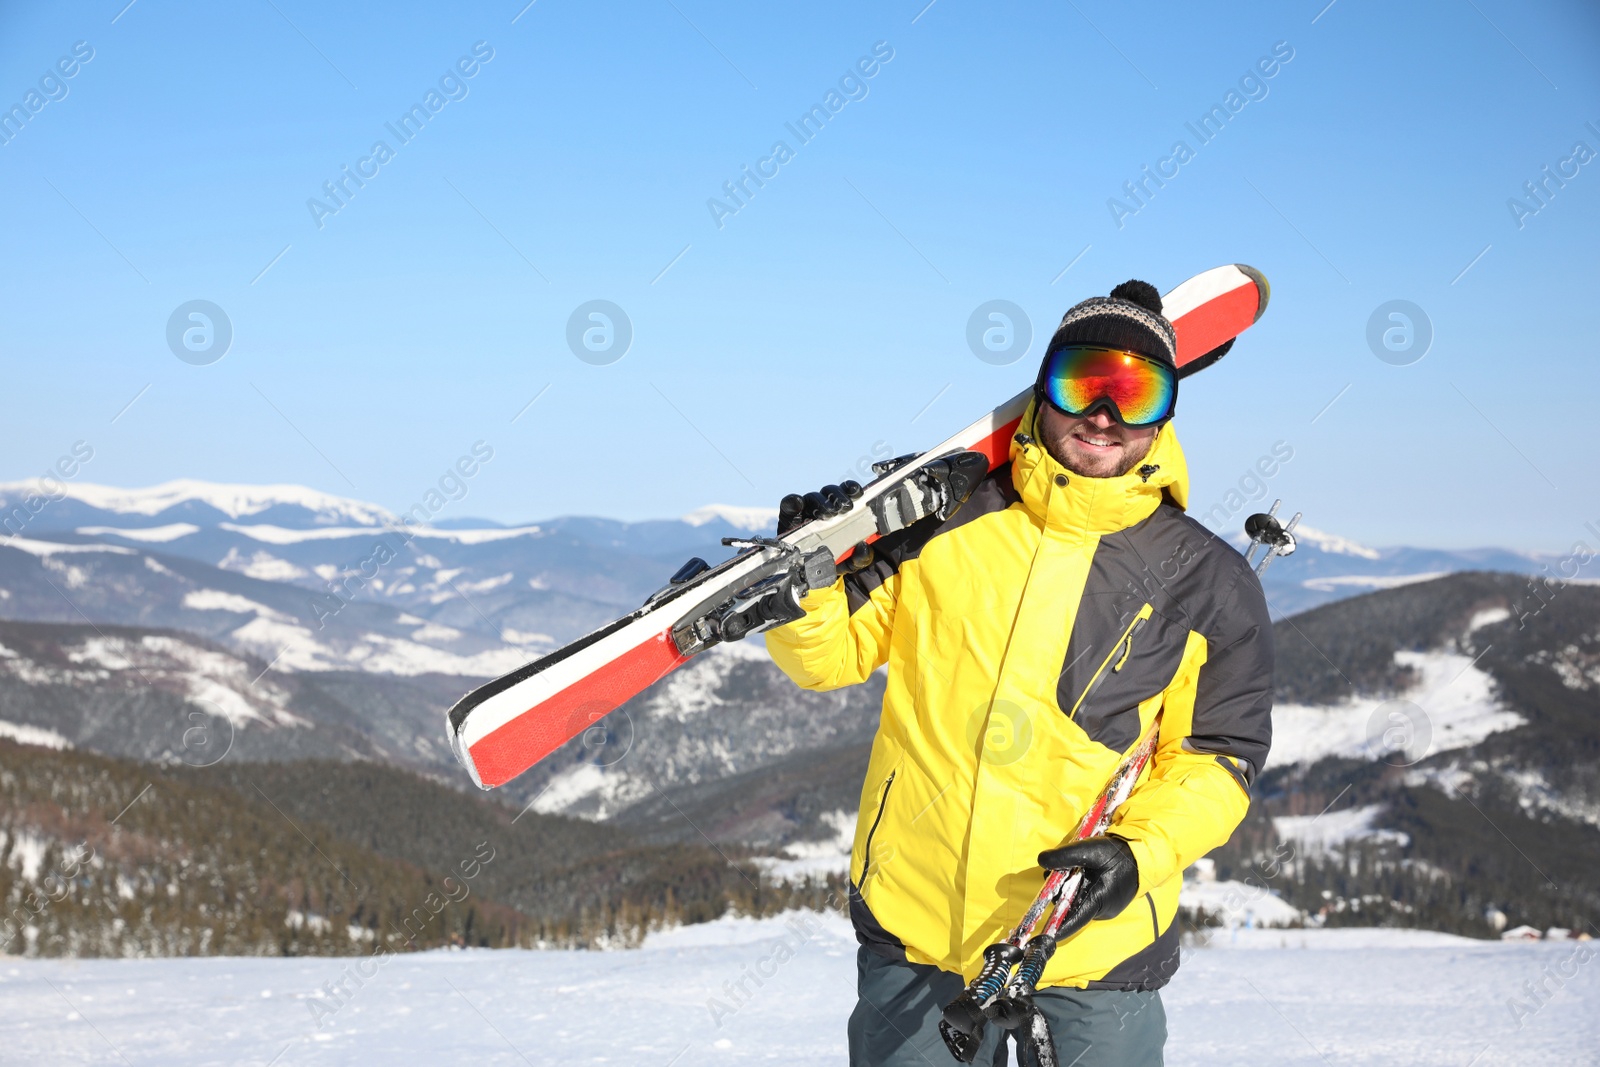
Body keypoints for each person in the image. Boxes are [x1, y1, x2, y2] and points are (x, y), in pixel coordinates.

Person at [765, 280, 1274, 1066]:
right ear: (1044, 390)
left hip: (1091, 950)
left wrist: (1142, 851)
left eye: (1136, 392)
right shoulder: (950, 522)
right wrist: (808, 588)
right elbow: (830, 655)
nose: (1103, 415)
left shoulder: (1209, 581)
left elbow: (1218, 757)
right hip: (918, 928)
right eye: (1082, 383)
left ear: (1166, 412)